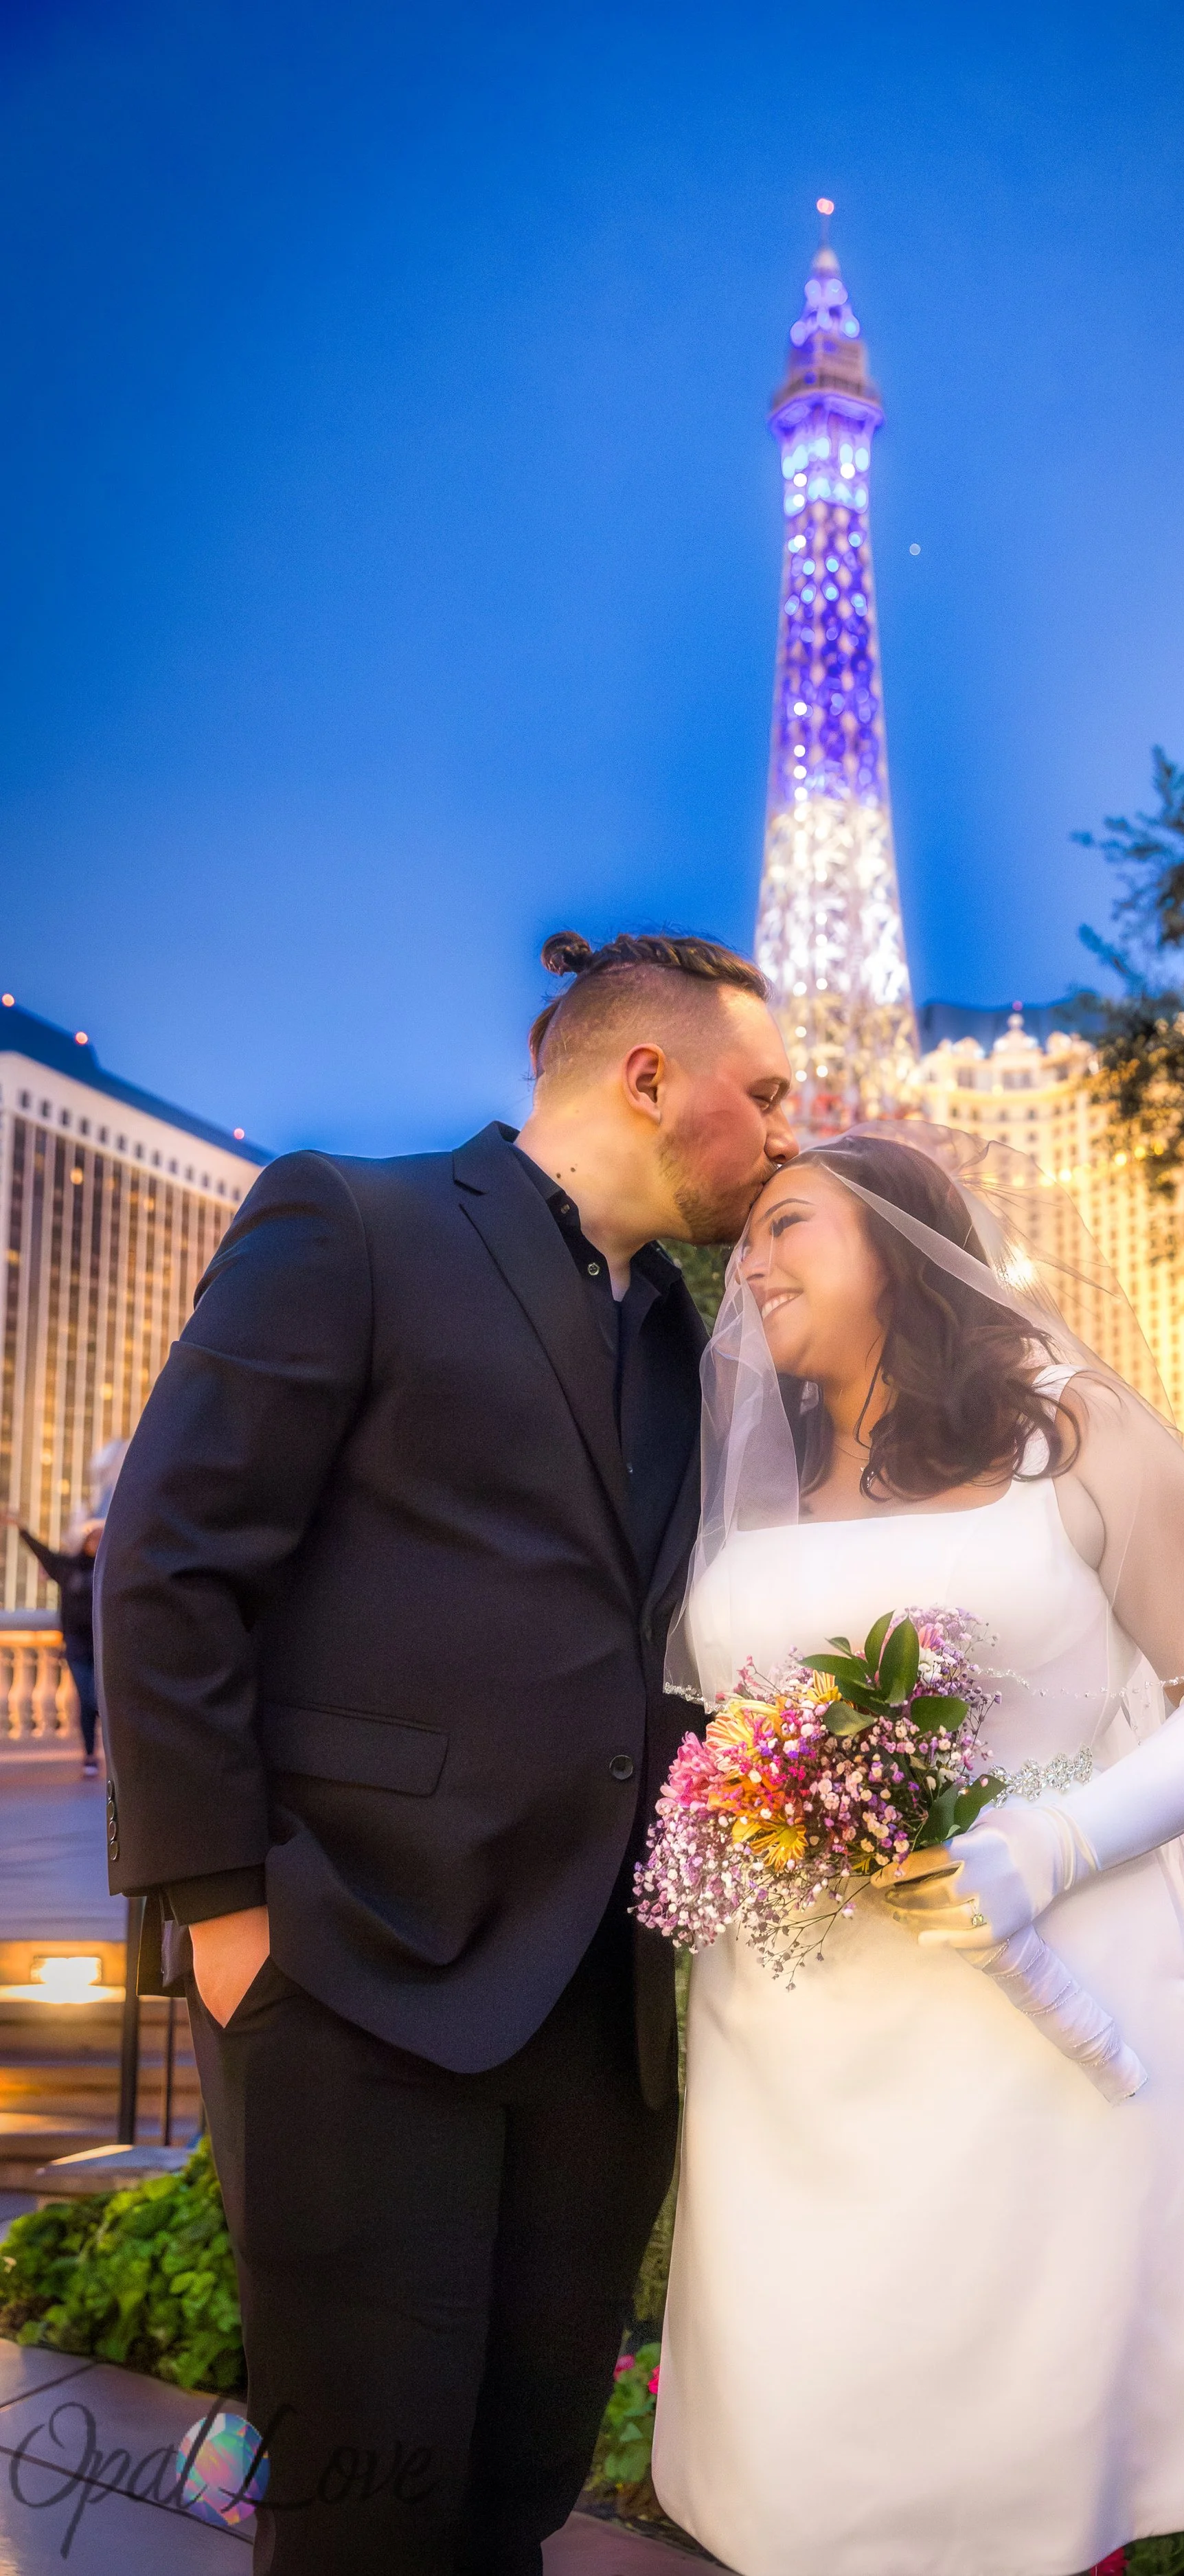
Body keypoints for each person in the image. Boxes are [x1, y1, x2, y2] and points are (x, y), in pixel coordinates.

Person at [96, 929, 797, 2576]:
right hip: (352, 1966)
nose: (782, 1127)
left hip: (595, 2014)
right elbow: (172, 1558)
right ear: (647, 1076)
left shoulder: (689, 1343)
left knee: (514, 2491)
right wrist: (223, 1912)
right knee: (365, 2511)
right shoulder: (352, 1219)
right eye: (761, 1091)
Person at [650, 1127, 1184, 2576]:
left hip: (1040, 2019)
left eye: (786, 1226)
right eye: (741, 1239)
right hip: (790, 2047)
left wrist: (1050, 1845)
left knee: (1031, 2463)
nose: (747, 1263)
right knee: (808, 2456)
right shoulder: (746, 1473)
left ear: (899, 1242)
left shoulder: (1069, 1431)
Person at [3, 1509, 104, 1776]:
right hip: (78, 1645)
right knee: (89, 1696)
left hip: (104, 1645)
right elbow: (42, 1552)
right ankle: (92, 1754)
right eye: (93, 1538)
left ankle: (94, 1755)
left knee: (96, 1701)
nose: (97, 1543)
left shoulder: (110, 1569)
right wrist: (21, 1528)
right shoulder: (67, 1567)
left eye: (102, 1539)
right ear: (85, 1543)